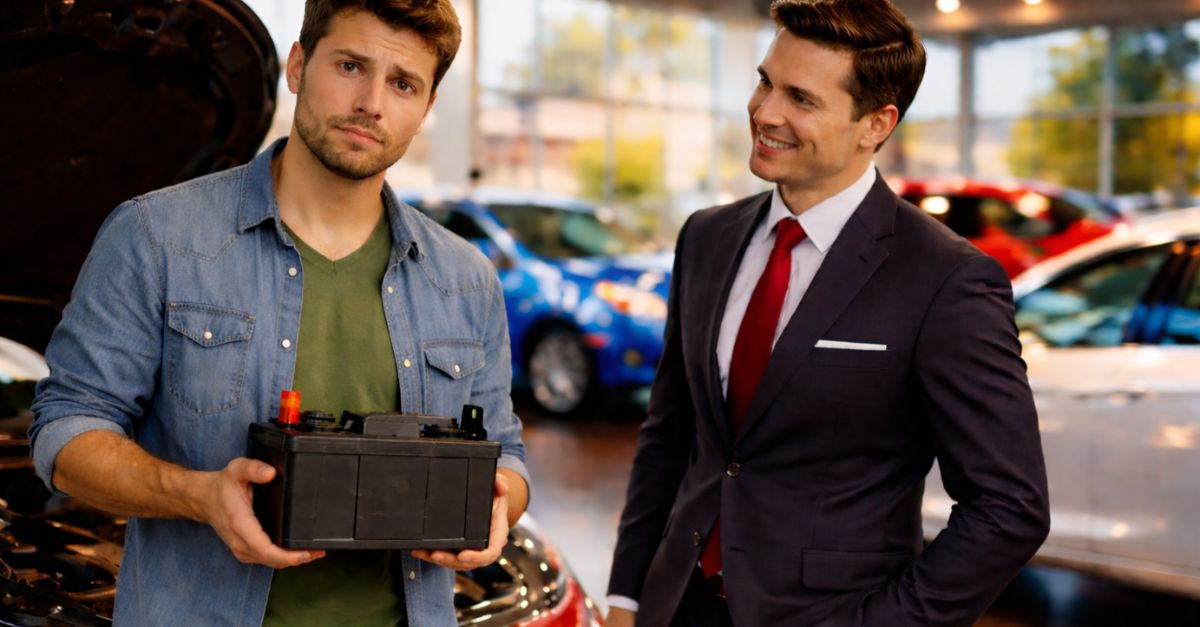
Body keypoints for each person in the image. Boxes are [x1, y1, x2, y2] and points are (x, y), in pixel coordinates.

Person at [29, 1, 529, 625]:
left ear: (426, 108)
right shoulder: (156, 236)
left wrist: (495, 512)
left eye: (403, 84)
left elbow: (506, 454)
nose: (372, 102)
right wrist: (200, 496)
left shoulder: (467, 279)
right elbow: (67, 431)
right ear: (298, 64)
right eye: (350, 65)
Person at [605, 1, 1050, 625]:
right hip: (678, 604)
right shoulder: (705, 237)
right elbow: (671, 436)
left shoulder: (946, 278)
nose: (765, 111)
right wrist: (626, 594)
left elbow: (1010, 506)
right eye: (764, 80)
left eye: (801, 99)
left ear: (875, 123)